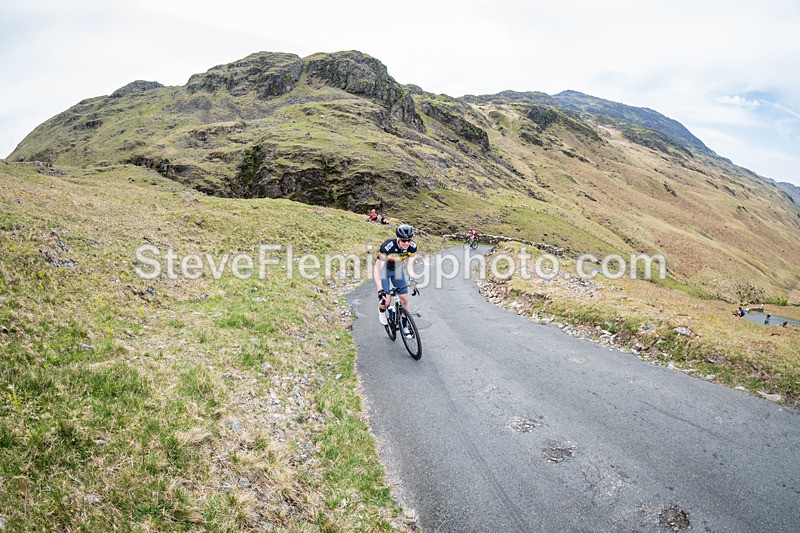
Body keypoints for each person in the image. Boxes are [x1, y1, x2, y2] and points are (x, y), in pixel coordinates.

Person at [374, 224, 417, 337]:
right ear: (397, 238)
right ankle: (382, 312)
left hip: (397, 270)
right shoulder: (387, 246)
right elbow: (377, 269)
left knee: (404, 299)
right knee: (386, 300)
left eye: (409, 240)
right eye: (403, 240)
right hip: (384, 271)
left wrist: (412, 280)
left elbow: (409, 265)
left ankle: (405, 326)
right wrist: (380, 290)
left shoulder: (412, 247)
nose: (406, 243)